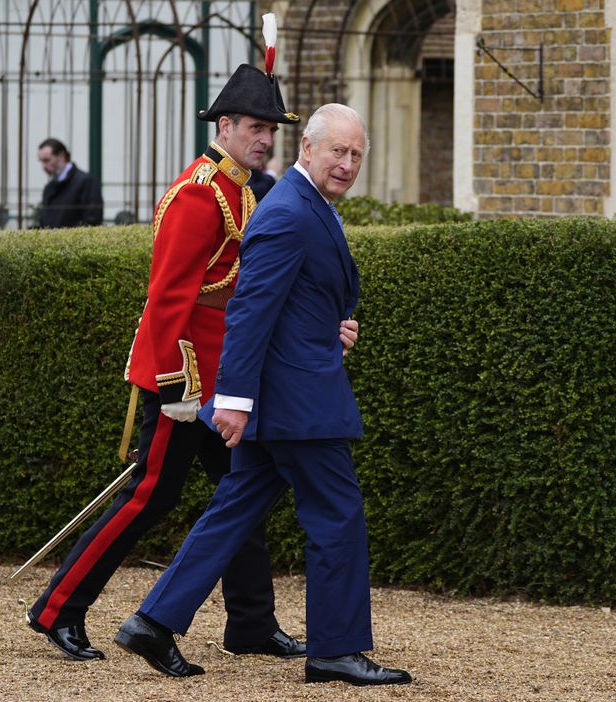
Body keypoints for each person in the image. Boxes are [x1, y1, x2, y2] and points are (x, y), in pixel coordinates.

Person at [26, 65, 358, 665]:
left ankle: (252, 624)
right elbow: (167, 297)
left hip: (227, 380)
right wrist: (176, 385)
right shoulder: (199, 192)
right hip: (183, 381)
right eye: (254, 127)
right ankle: (59, 610)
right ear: (224, 126)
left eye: (271, 129)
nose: (264, 139)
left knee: (243, 497)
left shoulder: (246, 191)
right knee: (150, 497)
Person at [113, 103, 412, 687]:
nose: (347, 164)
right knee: (338, 516)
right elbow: (248, 311)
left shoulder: (304, 206)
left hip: (288, 395)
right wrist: (235, 400)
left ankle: (153, 621)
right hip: (297, 405)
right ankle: (336, 649)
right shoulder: (288, 213)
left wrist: (331, 327)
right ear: (307, 150)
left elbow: (292, 302)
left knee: (234, 510)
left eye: (356, 154)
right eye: (337, 151)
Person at [36, 138, 103, 228]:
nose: (43, 166)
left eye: (47, 160)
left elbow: (92, 220)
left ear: (61, 156)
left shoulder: (85, 182)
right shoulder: (49, 188)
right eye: (41, 161)